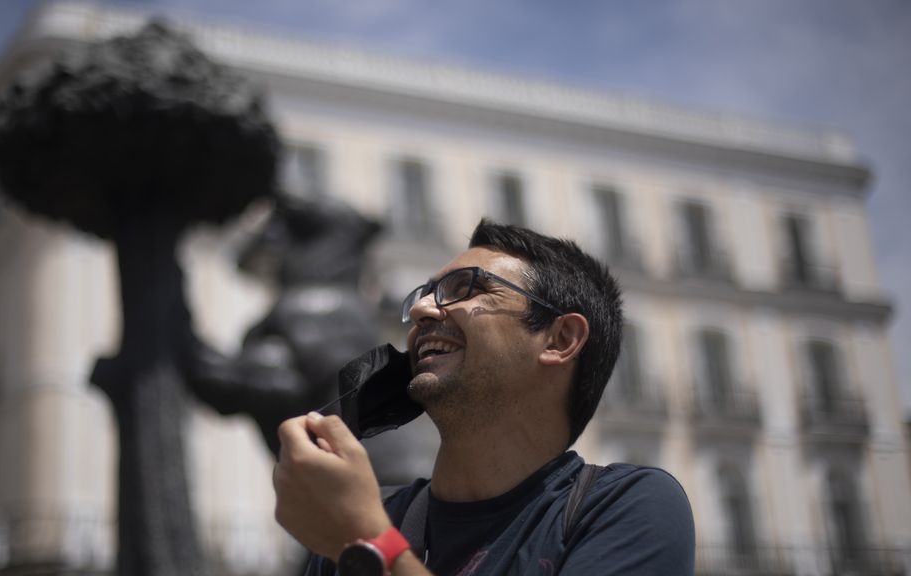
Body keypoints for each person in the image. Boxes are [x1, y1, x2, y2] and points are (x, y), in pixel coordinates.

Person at [273, 219, 695, 575]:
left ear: (561, 338)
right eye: (423, 295)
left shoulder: (630, 507)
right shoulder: (377, 515)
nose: (422, 310)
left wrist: (365, 542)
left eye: (465, 288)